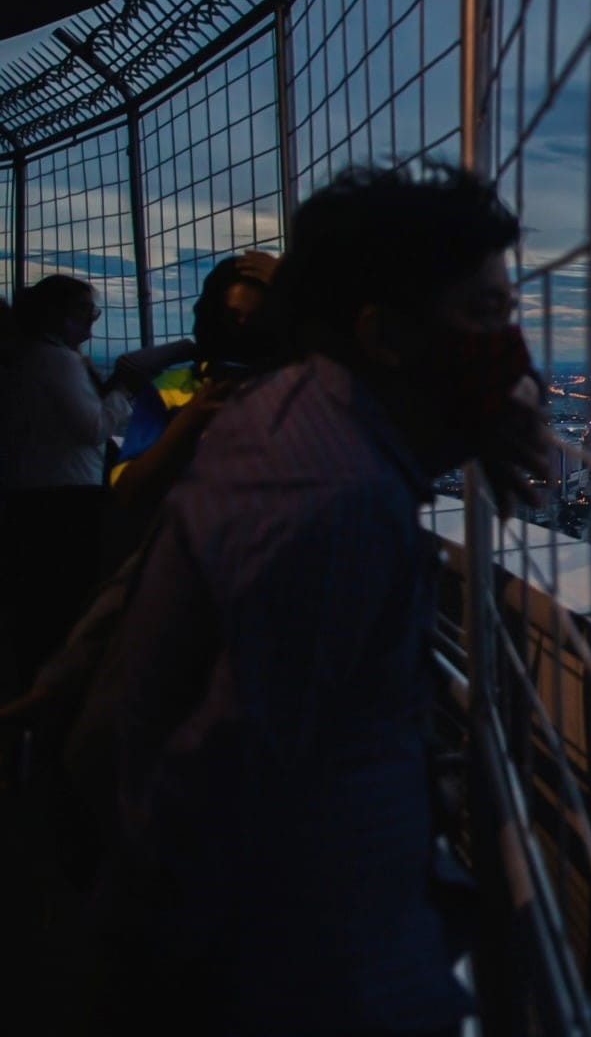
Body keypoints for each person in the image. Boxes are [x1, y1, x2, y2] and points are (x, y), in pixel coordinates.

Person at [99, 163, 542, 1036]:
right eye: (485, 313)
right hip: (303, 968)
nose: (512, 343)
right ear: (384, 335)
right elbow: (228, 778)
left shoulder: (290, 415)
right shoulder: (334, 504)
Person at [0, 275, 138, 694]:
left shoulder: (30, 358)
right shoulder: (57, 361)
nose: (91, 322)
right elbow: (92, 428)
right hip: (64, 500)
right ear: (55, 315)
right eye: (84, 312)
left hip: (32, 496)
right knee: (63, 611)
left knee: (37, 614)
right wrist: (125, 391)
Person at [106, 251, 280, 557]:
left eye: (256, 322)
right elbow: (127, 491)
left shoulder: (298, 388)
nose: (241, 329)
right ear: (212, 317)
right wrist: (186, 425)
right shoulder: (170, 392)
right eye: (232, 318)